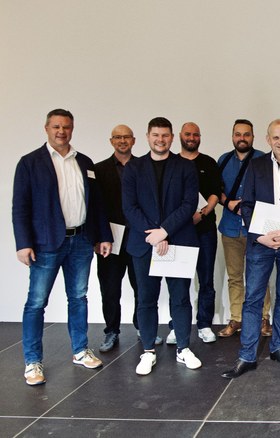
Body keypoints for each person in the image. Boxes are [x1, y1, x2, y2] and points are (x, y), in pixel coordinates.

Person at [13, 108, 112, 386]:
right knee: (36, 303)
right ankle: (33, 361)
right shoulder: (30, 163)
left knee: (79, 297)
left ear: (72, 129)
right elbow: (20, 207)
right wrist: (23, 243)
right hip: (46, 244)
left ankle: (80, 350)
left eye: (66, 127)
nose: (61, 131)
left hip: (81, 241)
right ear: (46, 128)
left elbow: (96, 205)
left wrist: (103, 236)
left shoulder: (85, 162)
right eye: (56, 126)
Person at [221, 120, 280, 378]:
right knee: (253, 299)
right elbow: (247, 205)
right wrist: (259, 235)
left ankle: (278, 348)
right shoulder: (256, 165)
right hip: (261, 244)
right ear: (268, 139)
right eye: (276, 137)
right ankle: (247, 356)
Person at [122, 117, 202, 376]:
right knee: (146, 299)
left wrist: (165, 231)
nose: (160, 140)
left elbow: (189, 204)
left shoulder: (186, 167)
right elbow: (129, 207)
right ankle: (148, 351)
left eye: (165, 135)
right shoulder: (133, 168)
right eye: (156, 135)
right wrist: (155, 235)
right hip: (145, 244)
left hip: (178, 241)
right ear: (148, 136)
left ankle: (183, 348)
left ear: (172, 137)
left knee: (181, 299)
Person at [94, 124, 162, 352]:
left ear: (134, 140)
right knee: (110, 288)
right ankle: (111, 331)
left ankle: (143, 328)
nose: (122, 141)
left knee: (142, 287)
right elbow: (95, 207)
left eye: (126, 137)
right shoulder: (99, 169)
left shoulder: (145, 166)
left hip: (139, 236)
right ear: (111, 141)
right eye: (117, 137)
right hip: (109, 238)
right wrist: (99, 237)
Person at [217, 120, 272, 339]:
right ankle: (236, 318)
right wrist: (228, 203)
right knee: (235, 276)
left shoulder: (263, 160)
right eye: (238, 134)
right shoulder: (223, 160)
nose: (242, 138)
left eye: (246, 134)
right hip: (230, 228)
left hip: (257, 229)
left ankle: (263, 318)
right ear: (232, 136)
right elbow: (216, 190)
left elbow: (271, 192)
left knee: (260, 276)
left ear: (253, 137)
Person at [169, 122, 223, 345]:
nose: (191, 138)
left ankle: (204, 324)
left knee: (206, 279)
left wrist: (202, 213)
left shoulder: (208, 162)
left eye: (195, 134)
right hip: (178, 232)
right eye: (188, 134)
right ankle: (176, 325)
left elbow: (215, 193)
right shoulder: (171, 162)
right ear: (180, 136)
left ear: (200, 137)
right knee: (178, 281)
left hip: (204, 230)